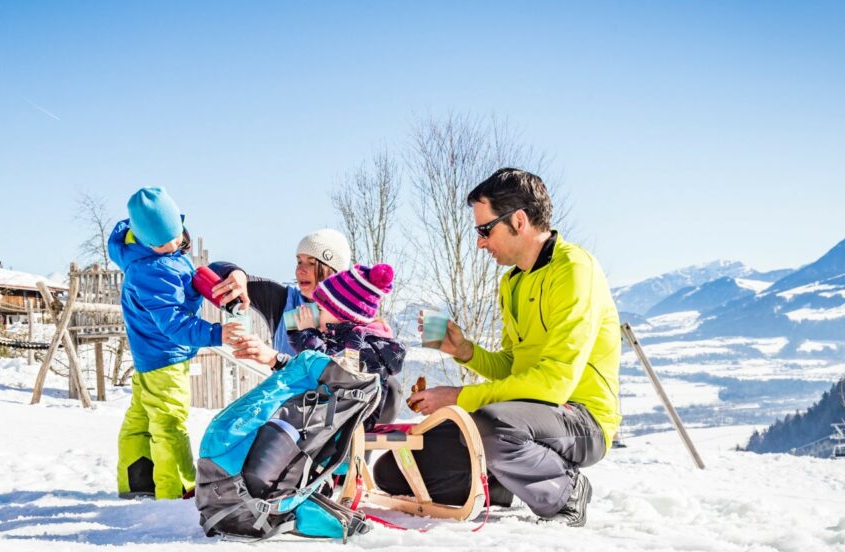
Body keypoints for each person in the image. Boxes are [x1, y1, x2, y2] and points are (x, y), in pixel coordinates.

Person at [399, 168, 621, 527]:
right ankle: (502, 483)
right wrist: (465, 351)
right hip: (528, 416)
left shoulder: (574, 270)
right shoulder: (512, 282)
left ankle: (566, 492)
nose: (480, 243)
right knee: (403, 466)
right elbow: (514, 369)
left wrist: (459, 397)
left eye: (485, 230)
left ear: (518, 220)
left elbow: (553, 384)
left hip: (582, 419)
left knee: (492, 425)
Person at [108, 187, 244, 499]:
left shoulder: (144, 255)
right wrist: (215, 334)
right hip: (165, 357)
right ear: (144, 238)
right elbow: (174, 325)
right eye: (160, 241)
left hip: (149, 357)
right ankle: (176, 489)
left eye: (175, 234)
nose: (172, 244)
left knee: (142, 418)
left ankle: (137, 480)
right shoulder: (152, 272)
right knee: (169, 422)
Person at [285, 262, 406, 426]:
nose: (316, 314)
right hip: (338, 418)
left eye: (320, 310)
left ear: (342, 314)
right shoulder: (345, 337)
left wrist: (307, 334)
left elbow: (329, 368)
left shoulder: (361, 344)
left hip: (350, 421)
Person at [206, 228, 351, 359]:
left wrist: (274, 358)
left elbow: (344, 375)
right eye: (299, 261)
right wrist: (236, 273)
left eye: (312, 263)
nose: (301, 270)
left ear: (334, 272)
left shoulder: (355, 315)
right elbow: (212, 270)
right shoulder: (285, 300)